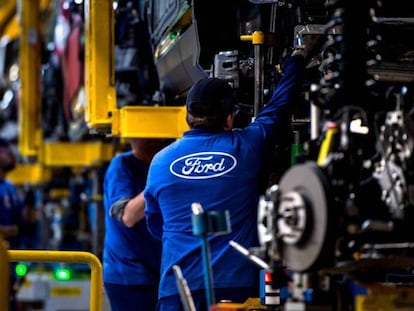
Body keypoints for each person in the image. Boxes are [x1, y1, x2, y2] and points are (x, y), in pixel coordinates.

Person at [144, 45, 316, 311]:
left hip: (177, 289)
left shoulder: (160, 162)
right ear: (229, 117)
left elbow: (156, 225)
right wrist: (296, 59)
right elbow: (279, 106)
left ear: (188, 116)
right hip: (235, 288)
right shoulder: (246, 146)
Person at [102, 138, 173, 311]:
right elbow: (128, 215)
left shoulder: (167, 165)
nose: (157, 140)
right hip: (129, 275)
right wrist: (159, 177)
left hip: (161, 272)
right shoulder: (122, 166)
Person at [0, 137, 24, 311]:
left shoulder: (10, 187)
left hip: (11, 263)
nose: (12, 155)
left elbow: (21, 223)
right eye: (7, 151)